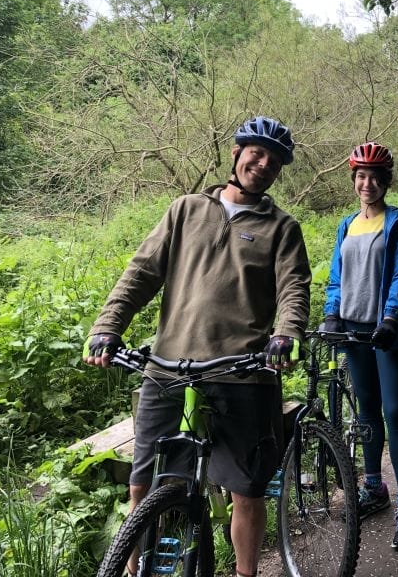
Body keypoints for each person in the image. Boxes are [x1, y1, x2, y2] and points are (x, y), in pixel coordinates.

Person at [83, 116, 311, 577]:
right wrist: (107, 326)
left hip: (242, 372)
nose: (263, 164)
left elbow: (294, 289)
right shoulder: (185, 209)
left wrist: (286, 334)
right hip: (167, 368)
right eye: (256, 152)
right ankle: (133, 569)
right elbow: (141, 274)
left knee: (246, 490)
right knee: (141, 487)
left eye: (274, 160)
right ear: (236, 152)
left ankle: (246, 572)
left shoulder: (282, 228)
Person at [322, 142, 398, 551]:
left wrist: (392, 319)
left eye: (374, 177)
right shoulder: (347, 224)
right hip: (353, 332)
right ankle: (373, 487)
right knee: (365, 411)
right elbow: (335, 275)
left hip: (387, 332)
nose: (367, 183)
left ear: (386, 181)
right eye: (361, 176)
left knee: (395, 413)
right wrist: (331, 313)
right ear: (354, 180)